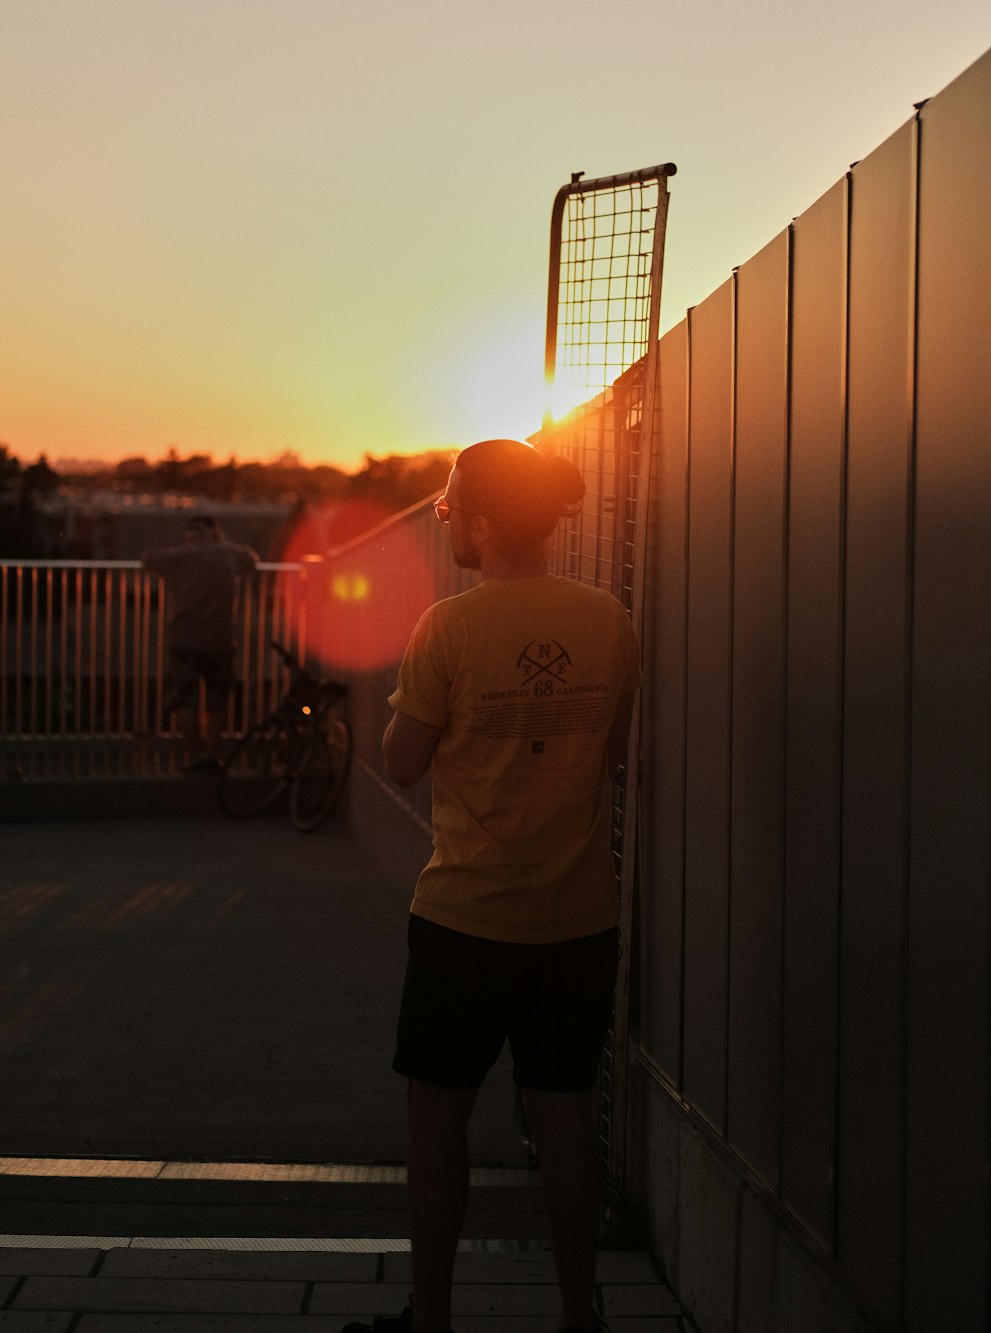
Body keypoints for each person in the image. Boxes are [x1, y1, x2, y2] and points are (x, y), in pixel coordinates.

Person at [348, 440, 641, 1333]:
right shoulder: (608, 619)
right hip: (578, 920)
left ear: (479, 521)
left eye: (445, 511)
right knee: (562, 1115)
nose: (444, 525)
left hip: (466, 921)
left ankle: (431, 1320)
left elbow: (401, 764)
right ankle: (576, 1317)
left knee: (436, 1116)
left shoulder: (449, 627)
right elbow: (613, 749)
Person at [142, 514, 258, 772]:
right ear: (215, 532)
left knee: (186, 700)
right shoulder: (231, 554)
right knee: (217, 700)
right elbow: (252, 560)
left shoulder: (179, 556)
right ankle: (212, 753)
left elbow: (149, 558)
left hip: (184, 638)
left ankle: (195, 755)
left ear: (191, 534)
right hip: (220, 639)